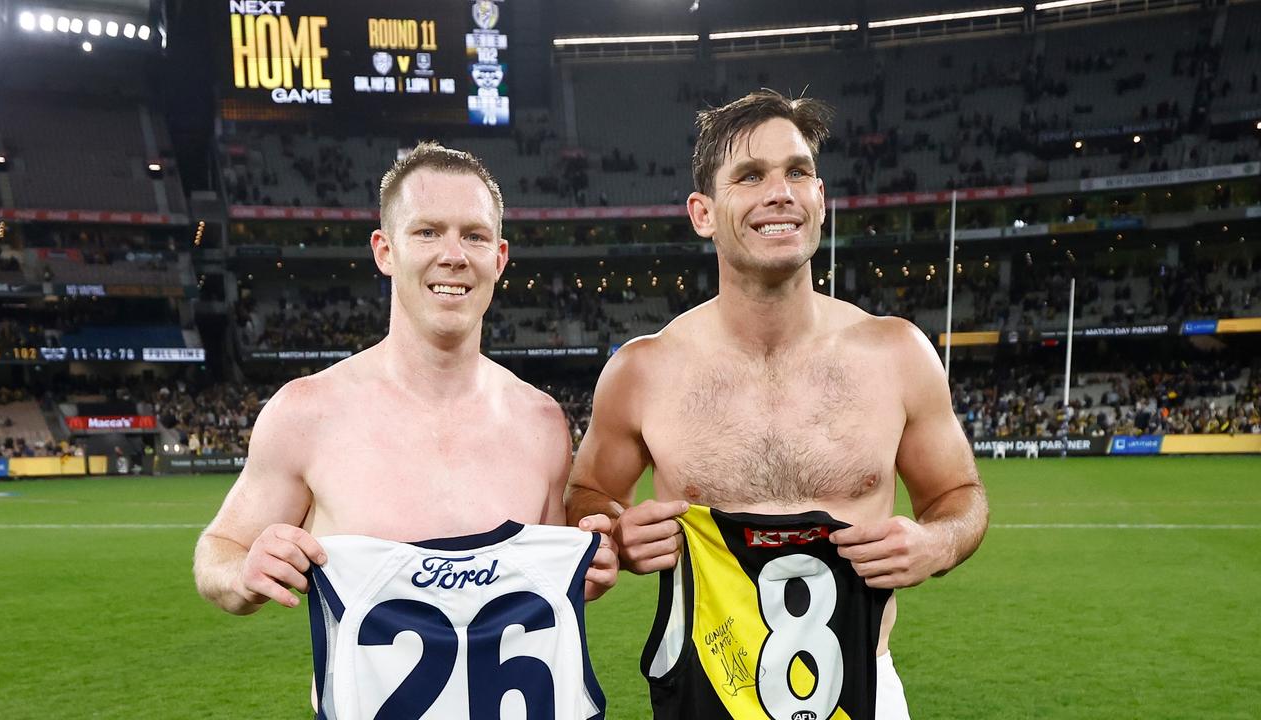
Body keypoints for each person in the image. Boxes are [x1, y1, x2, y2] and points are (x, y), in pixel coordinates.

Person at [567, 90, 988, 718]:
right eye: (750, 176)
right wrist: (617, 534)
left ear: (819, 198)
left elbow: (960, 496)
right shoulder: (643, 371)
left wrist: (937, 544)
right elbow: (587, 496)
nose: (780, 192)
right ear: (702, 212)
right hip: (705, 688)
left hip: (865, 687)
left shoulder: (897, 353)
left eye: (798, 171)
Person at [193, 142, 616, 712]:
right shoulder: (307, 413)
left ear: (500, 256)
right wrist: (245, 572)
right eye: (427, 232)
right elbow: (216, 551)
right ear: (385, 250)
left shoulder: (541, 423)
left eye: (474, 235)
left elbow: (539, 600)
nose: (453, 255)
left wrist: (585, 575)